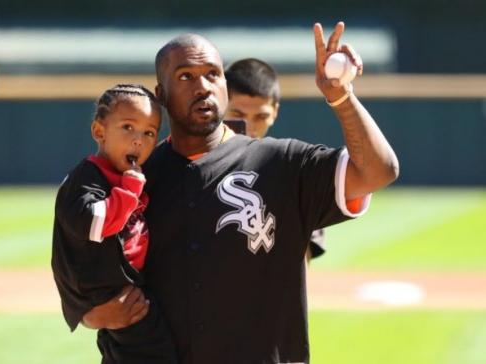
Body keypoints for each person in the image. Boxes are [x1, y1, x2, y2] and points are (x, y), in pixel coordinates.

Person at [83, 22, 399, 364]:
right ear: (161, 95)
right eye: (186, 76)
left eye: (212, 74)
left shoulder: (283, 163)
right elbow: (79, 262)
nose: (202, 86)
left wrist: (341, 95)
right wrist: (90, 313)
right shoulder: (132, 178)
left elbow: (377, 171)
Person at [51, 84, 176, 363]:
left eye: (149, 133)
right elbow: (96, 226)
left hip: (130, 292)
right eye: (128, 127)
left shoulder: (127, 175)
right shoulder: (87, 177)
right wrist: (129, 190)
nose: (138, 140)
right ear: (99, 132)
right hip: (113, 298)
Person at [224, 58, 326, 260]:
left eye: (260, 116)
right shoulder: (193, 162)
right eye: (238, 114)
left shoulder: (292, 171)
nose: (250, 127)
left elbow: (300, 263)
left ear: (275, 112)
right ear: (220, 105)